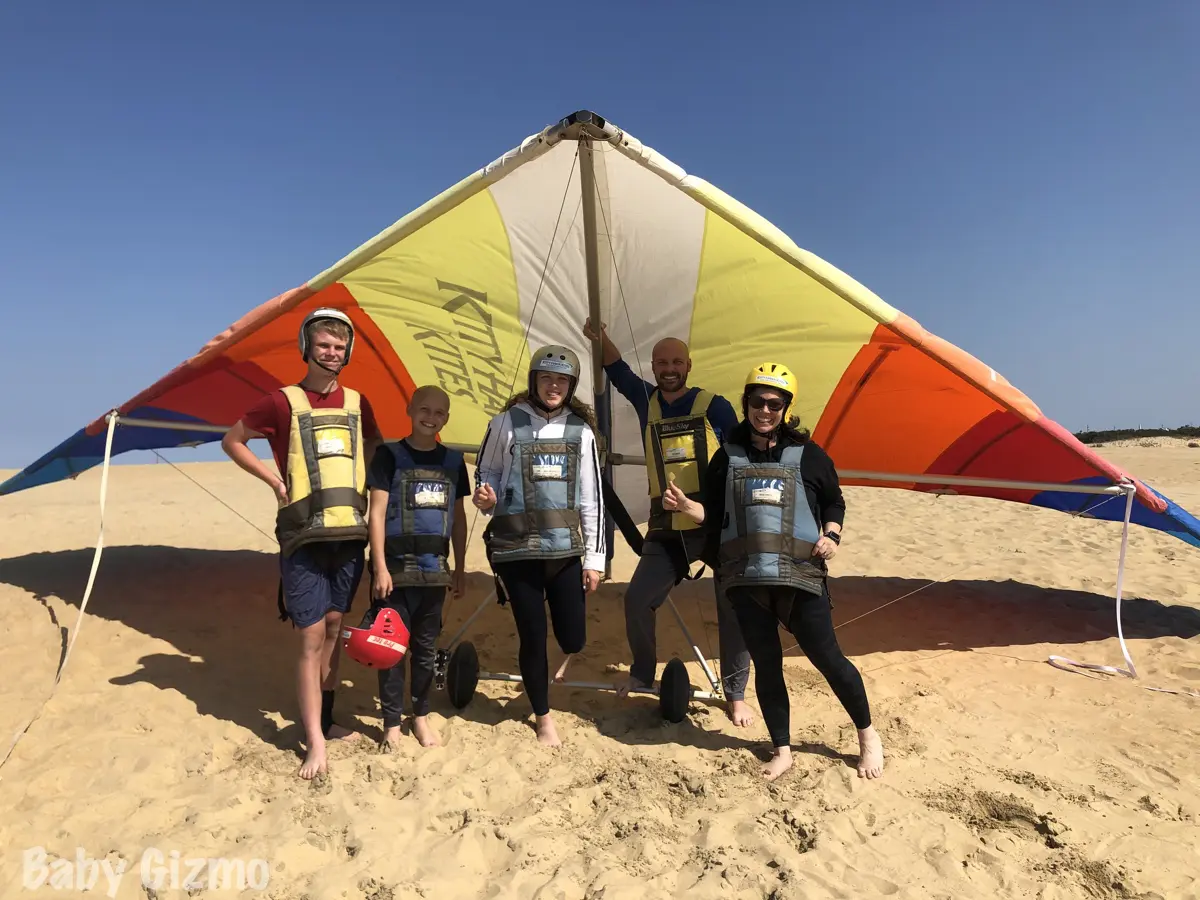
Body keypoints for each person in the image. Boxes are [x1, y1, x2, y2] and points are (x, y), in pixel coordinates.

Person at [662, 361, 885, 782]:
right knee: (766, 665)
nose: (765, 410)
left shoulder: (808, 454)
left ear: (785, 408)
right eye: (758, 401)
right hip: (746, 580)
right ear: (746, 403)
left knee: (829, 659)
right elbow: (712, 513)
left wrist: (832, 535)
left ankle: (867, 734)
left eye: (774, 403)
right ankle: (782, 749)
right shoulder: (727, 455)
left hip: (799, 577)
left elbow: (834, 501)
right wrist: (689, 509)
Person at [221, 307, 382, 780]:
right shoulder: (280, 401)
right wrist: (273, 479)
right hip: (303, 535)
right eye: (323, 345)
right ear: (307, 348)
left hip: (348, 534)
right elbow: (233, 441)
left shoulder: (357, 402)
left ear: (346, 351)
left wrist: (367, 483)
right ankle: (313, 741)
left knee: (334, 626)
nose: (331, 353)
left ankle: (326, 723)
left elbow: (372, 444)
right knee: (310, 636)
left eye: (338, 346)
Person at [581, 318, 753, 726]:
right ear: (655, 367)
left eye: (677, 361)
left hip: (715, 522)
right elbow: (617, 370)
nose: (669, 368)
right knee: (637, 599)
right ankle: (642, 671)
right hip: (668, 524)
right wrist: (600, 337)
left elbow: (745, 458)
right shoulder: (647, 399)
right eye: (662, 362)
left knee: (734, 605)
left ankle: (736, 693)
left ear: (688, 366)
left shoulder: (715, 405)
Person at [472, 344, 606, 747]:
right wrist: (486, 496)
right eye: (546, 378)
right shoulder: (506, 422)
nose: (553, 386)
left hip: (564, 551)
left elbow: (591, 498)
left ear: (571, 386)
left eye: (561, 380)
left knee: (573, 639)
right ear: (534, 380)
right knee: (532, 636)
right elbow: (488, 470)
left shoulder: (581, 432)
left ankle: (560, 664)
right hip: (517, 550)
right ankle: (543, 716)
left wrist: (595, 559)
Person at [364, 385, 469, 750]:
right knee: (389, 648)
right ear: (410, 410)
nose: (431, 417)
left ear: (447, 418)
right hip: (394, 571)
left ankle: (420, 715)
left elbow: (457, 519)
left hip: (434, 570)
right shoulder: (388, 456)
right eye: (424, 409)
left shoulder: (454, 463)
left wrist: (460, 566)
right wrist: (379, 567)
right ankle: (392, 721)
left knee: (425, 650)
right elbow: (375, 514)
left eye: (439, 413)